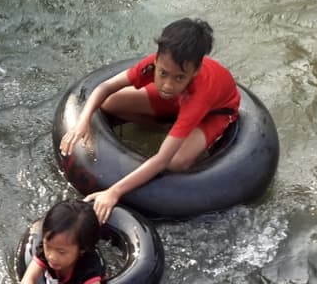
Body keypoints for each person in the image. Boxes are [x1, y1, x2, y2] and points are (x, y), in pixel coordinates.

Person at [59, 18, 240, 222]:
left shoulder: (199, 97)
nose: (168, 85)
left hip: (214, 112)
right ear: (156, 60)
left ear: (195, 71)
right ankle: (165, 127)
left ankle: (184, 136)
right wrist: (83, 121)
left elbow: (162, 160)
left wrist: (114, 192)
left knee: (177, 161)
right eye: (163, 73)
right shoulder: (155, 67)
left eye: (179, 77)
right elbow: (104, 88)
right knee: (110, 103)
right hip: (180, 100)